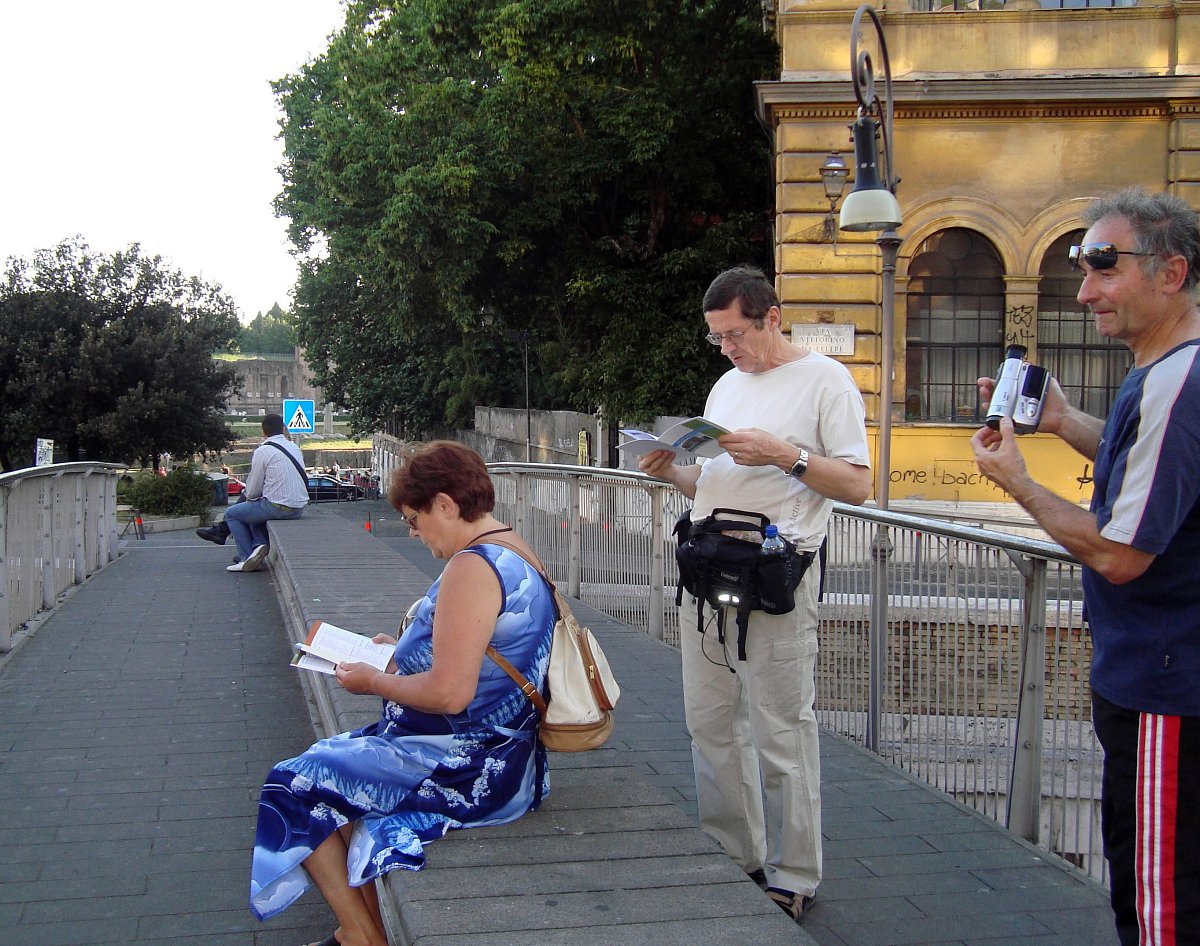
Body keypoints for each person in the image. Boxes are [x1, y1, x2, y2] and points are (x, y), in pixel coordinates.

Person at [971, 187, 1200, 946]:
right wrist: (1064, 421)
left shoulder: (1174, 382)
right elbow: (1148, 472)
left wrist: (1020, 485)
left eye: (1104, 266)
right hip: (1158, 679)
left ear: (1171, 273)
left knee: (1159, 907)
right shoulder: (1167, 367)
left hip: (1166, 687)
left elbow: (1121, 550)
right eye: (1081, 265)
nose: (1084, 289)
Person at [250, 441, 555, 946]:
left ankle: (360, 935)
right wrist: (400, 650)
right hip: (506, 758)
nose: (412, 533)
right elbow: (477, 652)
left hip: (462, 767)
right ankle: (363, 930)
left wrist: (373, 681)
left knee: (291, 784)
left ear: (445, 504)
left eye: (414, 519)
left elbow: (450, 694)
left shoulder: (470, 569)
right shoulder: (511, 547)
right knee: (329, 766)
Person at [639, 266, 871, 923]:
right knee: (709, 723)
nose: (727, 348)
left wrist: (786, 456)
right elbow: (712, 488)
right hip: (708, 569)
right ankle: (732, 853)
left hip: (774, 577)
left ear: (772, 317)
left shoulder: (827, 382)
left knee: (782, 730)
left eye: (735, 334)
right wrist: (671, 472)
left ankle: (795, 874)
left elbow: (857, 485)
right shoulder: (725, 385)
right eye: (716, 339)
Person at [221, 414, 308, 572]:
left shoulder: (263, 451)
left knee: (232, 514)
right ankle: (258, 546)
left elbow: (252, 491)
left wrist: (252, 497)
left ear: (263, 431)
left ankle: (246, 556)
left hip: (278, 507)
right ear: (283, 429)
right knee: (255, 508)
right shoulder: (294, 447)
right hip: (299, 507)